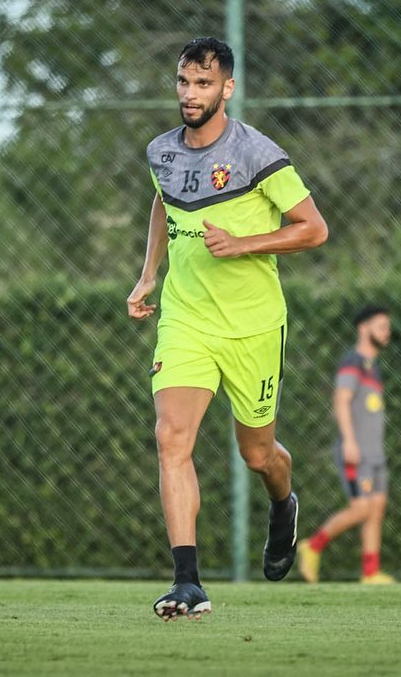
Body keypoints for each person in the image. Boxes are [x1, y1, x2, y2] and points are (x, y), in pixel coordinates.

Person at [127, 36, 329, 620]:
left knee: (258, 454)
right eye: (185, 82)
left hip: (253, 327)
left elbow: (313, 228)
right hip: (186, 319)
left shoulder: (258, 153)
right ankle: (186, 581)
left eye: (204, 84)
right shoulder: (161, 151)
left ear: (228, 88)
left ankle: (284, 503)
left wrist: (244, 245)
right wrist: (147, 277)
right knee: (171, 438)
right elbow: (164, 204)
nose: (191, 95)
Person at [297, 305, 396, 585]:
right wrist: (350, 442)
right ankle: (312, 546)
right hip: (357, 452)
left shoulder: (372, 368)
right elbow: (340, 401)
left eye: (387, 327)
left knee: (376, 507)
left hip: (375, 454)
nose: (386, 332)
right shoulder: (352, 362)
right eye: (380, 326)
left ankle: (370, 572)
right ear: (363, 328)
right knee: (362, 508)